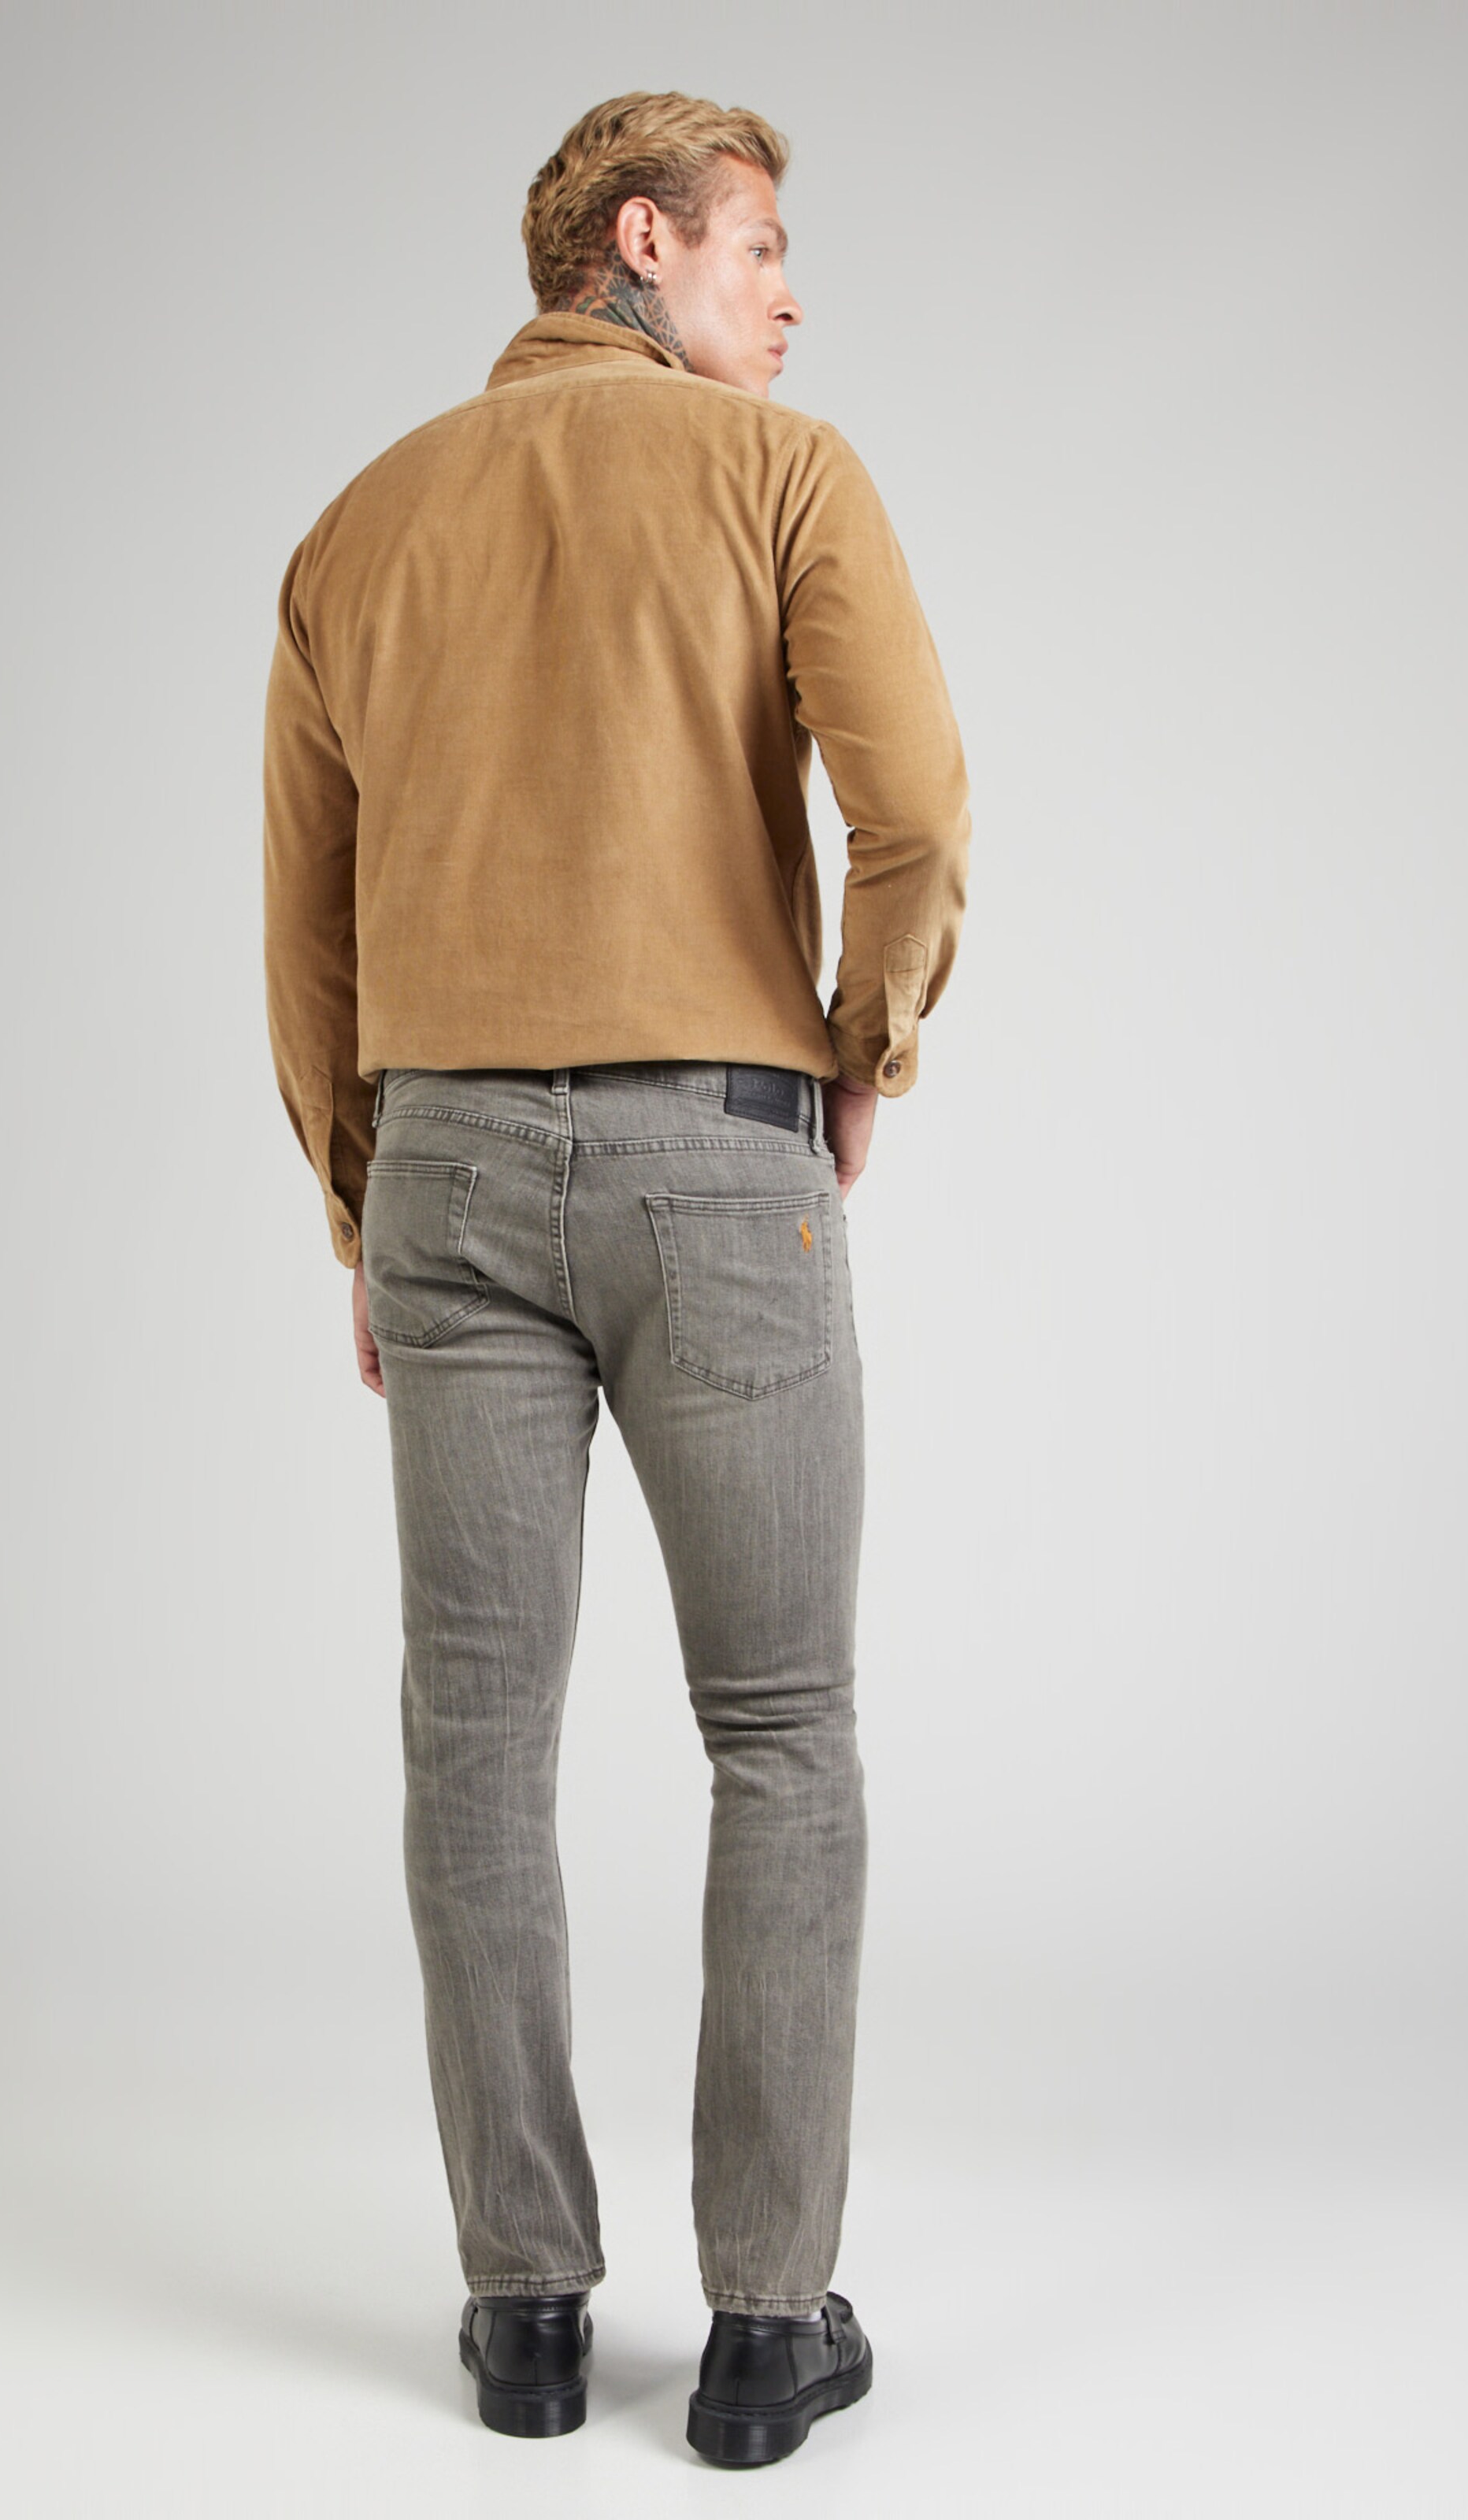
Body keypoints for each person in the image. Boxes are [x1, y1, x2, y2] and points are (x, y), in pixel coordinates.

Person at [261, 88, 970, 2468]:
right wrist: (865, 1043)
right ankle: (768, 2328)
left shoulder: (359, 527)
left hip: (449, 1177)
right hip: (717, 1167)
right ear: (643, 244)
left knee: (474, 1743)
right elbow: (918, 808)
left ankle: (522, 2313)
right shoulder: (784, 477)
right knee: (782, 1732)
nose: (791, 294)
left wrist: (360, 1200)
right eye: (761, 248)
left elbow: (307, 928)